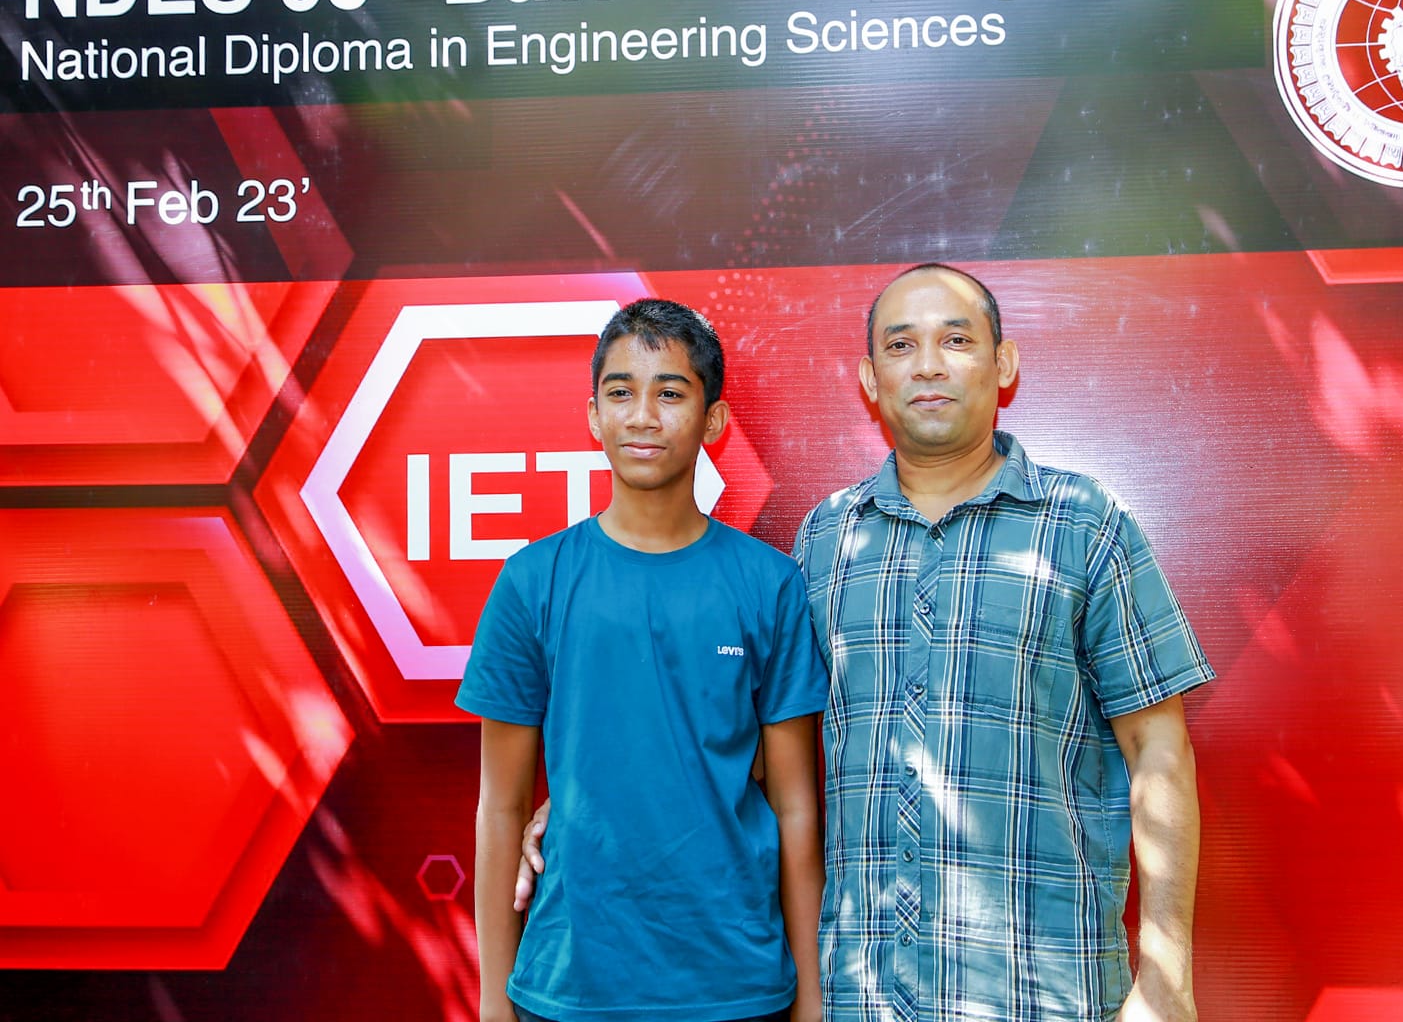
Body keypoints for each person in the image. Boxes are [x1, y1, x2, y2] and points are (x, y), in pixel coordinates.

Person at [521, 267, 1213, 1022]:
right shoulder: (825, 540)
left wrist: (1167, 973)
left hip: (1041, 988)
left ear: (1003, 364)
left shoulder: (1086, 525)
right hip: (863, 994)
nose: (927, 364)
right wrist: (588, 803)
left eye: (956, 340)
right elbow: (744, 734)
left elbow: (1159, 749)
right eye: (901, 344)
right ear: (870, 378)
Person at [458, 298, 827, 1022]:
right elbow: (501, 808)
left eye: (671, 393)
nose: (643, 416)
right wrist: (492, 1005)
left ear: (713, 421)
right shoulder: (533, 582)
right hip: (569, 986)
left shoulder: (769, 583)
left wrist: (811, 1001)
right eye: (621, 392)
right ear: (593, 416)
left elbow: (794, 805)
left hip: (737, 986)